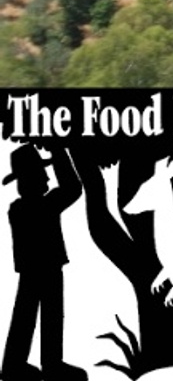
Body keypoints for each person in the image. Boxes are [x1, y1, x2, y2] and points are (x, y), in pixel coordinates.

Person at [2, 146, 84, 381]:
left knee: (27, 315)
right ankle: (48, 363)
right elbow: (73, 188)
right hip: (46, 268)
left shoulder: (18, 209)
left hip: (32, 269)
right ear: (31, 177)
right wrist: (60, 152)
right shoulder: (42, 206)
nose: (47, 176)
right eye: (41, 172)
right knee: (48, 315)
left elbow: (68, 189)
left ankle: (17, 364)